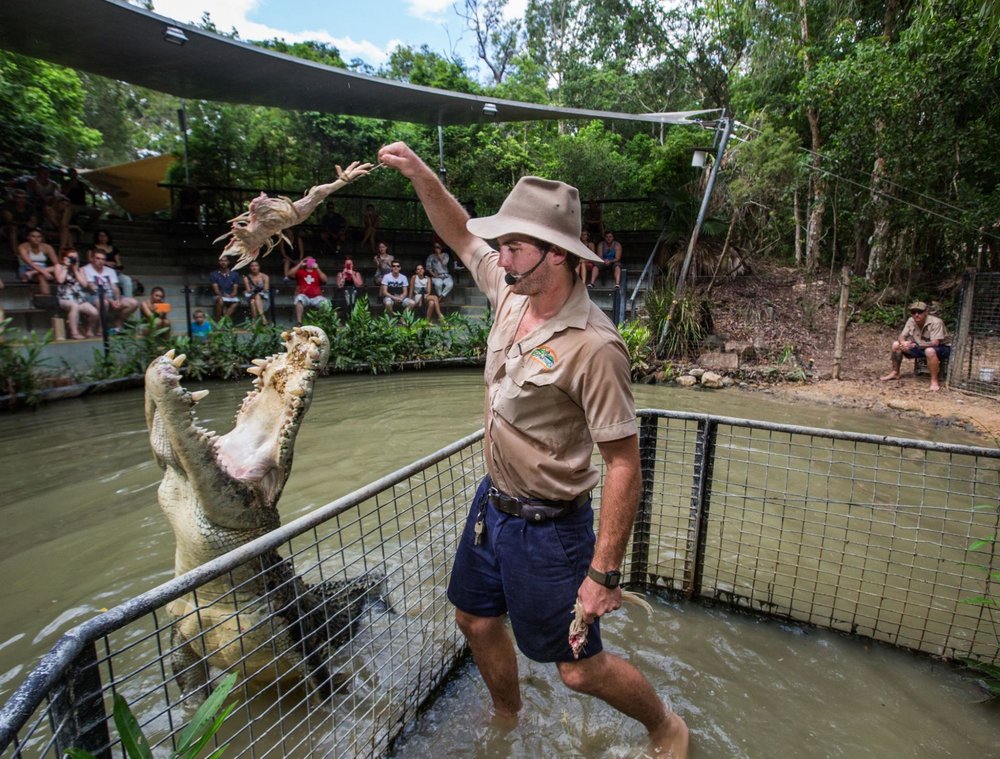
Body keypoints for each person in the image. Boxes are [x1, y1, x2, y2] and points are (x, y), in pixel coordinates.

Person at [377, 141, 690, 758]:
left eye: (515, 245)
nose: (501, 255)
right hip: (491, 506)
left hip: (551, 528)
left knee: (576, 667)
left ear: (558, 256)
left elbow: (624, 463)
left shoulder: (595, 347)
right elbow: (462, 235)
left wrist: (603, 575)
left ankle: (666, 726)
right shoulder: (512, 288)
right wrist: (420, 174)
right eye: (505, 245)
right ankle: (507, 711)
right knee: (473, 618)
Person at [879, 301, 951, 391]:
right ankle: (895, 373)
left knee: (930, 351)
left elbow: (935, 343)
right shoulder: (911, 320)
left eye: (919, 312)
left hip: (941, 348)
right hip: (919, 346)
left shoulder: (936, 322)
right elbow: (901, 336)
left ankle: (934, 381)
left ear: (926, 312)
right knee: (896, 345)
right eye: (913, 312)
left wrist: (915, 345)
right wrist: (903, 343)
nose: (916, 315)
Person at [82, 248, 138, 333]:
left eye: (103, 259)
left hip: (110, 297)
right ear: (92, 258)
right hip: (93, 296)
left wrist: (117, 299)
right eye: (98, 258)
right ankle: (101, 328)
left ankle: (118, 322)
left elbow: (114, 287)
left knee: (133, 303)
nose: (100, 261)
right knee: (103, 302)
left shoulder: (110, 271)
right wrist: (111, 301)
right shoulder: (86, 269)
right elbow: (93, 288)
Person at [55, 247, 99, 339]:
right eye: (71, 258)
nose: (74, 260)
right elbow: (60, 280)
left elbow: (84, 284)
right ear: (65, 258)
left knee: (94, 312)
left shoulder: (80, 269)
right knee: (74, 306)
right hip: (64, 298)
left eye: (76, 258)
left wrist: (75, 270)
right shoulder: (58, 266)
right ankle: (74, 333)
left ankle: (89, 330)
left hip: (79, 298)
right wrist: (66, 267)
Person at [25, 165, 72, 251]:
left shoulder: (53, 184)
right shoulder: (32, 181)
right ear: (38, 173)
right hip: (36, 203)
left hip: (50, 204)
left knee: (65, 205)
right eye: (43, 173)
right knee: (48, 208)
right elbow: (39, 194)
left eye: (47, 173)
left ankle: (62, 226)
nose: (46, 175)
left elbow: (57, 195)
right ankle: (61, 227)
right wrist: (47, 199)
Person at [91, 229, 134, 298]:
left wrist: (119, 267)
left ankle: (128, 299)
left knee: (127, 279)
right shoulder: (92, 248)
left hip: (114, 271)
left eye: (105, 236)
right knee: (112, 284)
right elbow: (90, 260)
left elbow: (118, 262)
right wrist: (105, 263)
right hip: (100, 272)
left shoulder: (114, 248)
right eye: (100, 236)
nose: (103, 238)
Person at [287, 256, 329, 324]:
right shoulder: (300, 272)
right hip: (304, 296)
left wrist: (317, 268)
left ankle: (319, 321)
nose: (310, 262)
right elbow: (289, 274)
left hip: (316, 297)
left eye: (312, 261)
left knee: (325, 303)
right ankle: (299, 322)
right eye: (308, 261)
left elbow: (325, 280)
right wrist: (300, 264)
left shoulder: (317, 272)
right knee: (299, 298)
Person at [17, 228, 58, 294]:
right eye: (33, 236)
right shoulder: (23, 246)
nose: (36, 238)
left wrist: (40, 271)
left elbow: (56, 263)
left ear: (42, 238)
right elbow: (29, 263)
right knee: (41, 276)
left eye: (39, 236)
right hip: (26, 268)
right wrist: (44, 272)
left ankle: (33, 273)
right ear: (28, 237)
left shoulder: (47, 247)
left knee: (59, 267)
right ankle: (46, 297)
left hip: (43, 269)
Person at [3, 189, 38, 255]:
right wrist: (25, 223)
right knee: (13, 229)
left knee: (37, 232)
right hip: (8, 228)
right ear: (14, 198)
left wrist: (30, 225)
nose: (21, 200)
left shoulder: (30, 207)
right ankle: (16, 254)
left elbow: (34, 221)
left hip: (25, 228)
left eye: (23, 198)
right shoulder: (8, 206)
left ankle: (39, 253)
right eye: (18, 198)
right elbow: (9, 220)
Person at [210, 255, 242, 320]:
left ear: (228, 262)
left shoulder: (234, 274)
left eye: (225, 261)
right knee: (221, 301)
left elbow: (235, 290)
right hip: (219, 296)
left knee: (237, 302)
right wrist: (222, 295)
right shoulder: (214, 274)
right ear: (219, 262)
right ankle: (218, 320)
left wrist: (230, 295)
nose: (223, 262)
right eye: (221, 261)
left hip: (230, 296)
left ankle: (223, 320)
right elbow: (216, 290)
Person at [242, 260, 270, 324]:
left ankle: (254, 322)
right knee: (253, 300)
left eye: (256, 266)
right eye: (252, 266)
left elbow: (266, 289)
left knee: (254, 300)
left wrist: (255, 290)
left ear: (259, 267)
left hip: (263, 298)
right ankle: (263, 318)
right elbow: (248, 290)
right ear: (250, 267)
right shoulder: (246, 278)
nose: (254, 267)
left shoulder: (265, 277)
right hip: (251, 296)